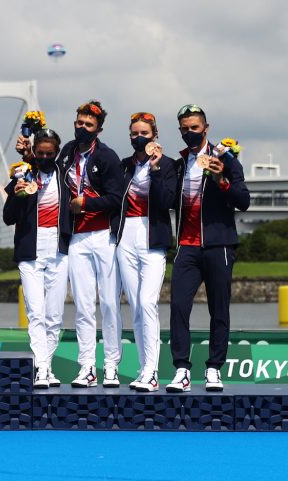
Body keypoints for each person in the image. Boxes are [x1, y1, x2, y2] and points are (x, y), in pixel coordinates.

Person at [166, 104, 250, 393]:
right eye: (185, 129)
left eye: (195, 128)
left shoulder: (225, 158)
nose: (190, 133)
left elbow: (243, 200)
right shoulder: (178, 164)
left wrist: (220, 179)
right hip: (187, 247)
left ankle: (214, 368)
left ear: (206, 128)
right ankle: (181, 369)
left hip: (219, 245)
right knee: (178, 306)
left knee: (219, 309)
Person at [58, 100, 124, 387]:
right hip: (77, 238)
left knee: (109, 303)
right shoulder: (66, 152)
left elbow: (116, 198)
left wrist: (88, 204)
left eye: (88, 125)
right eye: (78, 123)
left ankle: (111, 365)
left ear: (98, 129)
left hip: (104, 237)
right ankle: (87, 366)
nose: (81, 128)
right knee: (83, 306)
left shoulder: (108, 157)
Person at [5, 128, 70, 388]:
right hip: (30, 251)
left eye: (49, 153)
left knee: (54, 316)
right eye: (40, 153)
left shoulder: (66, 178)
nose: (44, 157)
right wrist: (18, 195)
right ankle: (40, 367)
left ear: (56, 153)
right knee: (36, 313)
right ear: (35, 152)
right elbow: (8, 216)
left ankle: (47, 364)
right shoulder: (22, 173)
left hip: (58, 250)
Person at [116, 112, 177, 392]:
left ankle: (153, 371)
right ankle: (143, 369)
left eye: (144, 133)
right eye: (134, 134)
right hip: (126, 236)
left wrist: (154, 169)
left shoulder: (168, 166)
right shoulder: (124, 165)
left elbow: (167, 201)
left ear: (155, 136)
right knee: (136, 309)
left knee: (147, 302)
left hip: (153, 237)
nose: (138, 138)